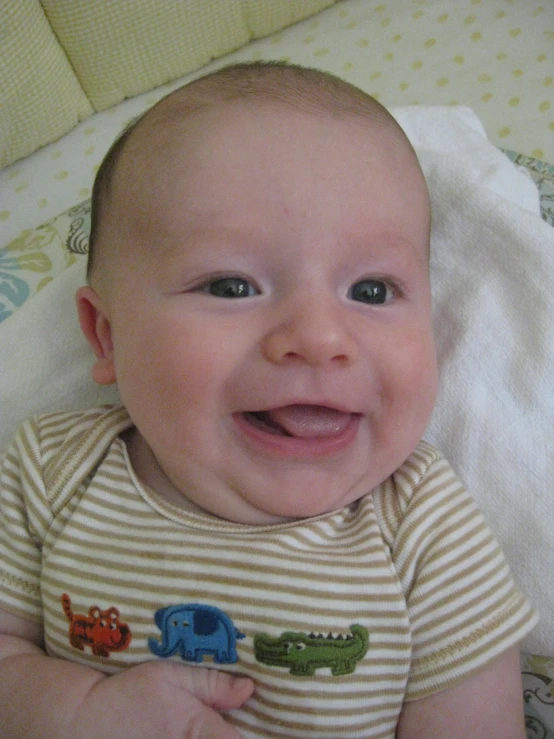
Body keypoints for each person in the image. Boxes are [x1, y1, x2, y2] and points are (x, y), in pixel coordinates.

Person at [0, 62, 537, 739]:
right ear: (107, 334)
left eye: (370, 291)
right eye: (230, 285)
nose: (317, 337)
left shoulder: (424, 526)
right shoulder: (50, 472)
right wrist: (78, 712)